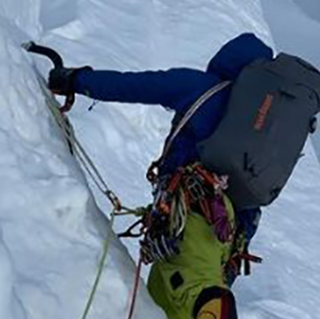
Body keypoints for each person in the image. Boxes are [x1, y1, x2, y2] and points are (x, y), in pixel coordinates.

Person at [48, 33, 279, 319]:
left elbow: (134, 85)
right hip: (219, 232)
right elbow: (253, 196)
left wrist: (75, 80)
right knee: (161, 303)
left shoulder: (200, 87)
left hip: (189, 217)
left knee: (192, 295)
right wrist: (231, 257)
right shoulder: (262, 132)